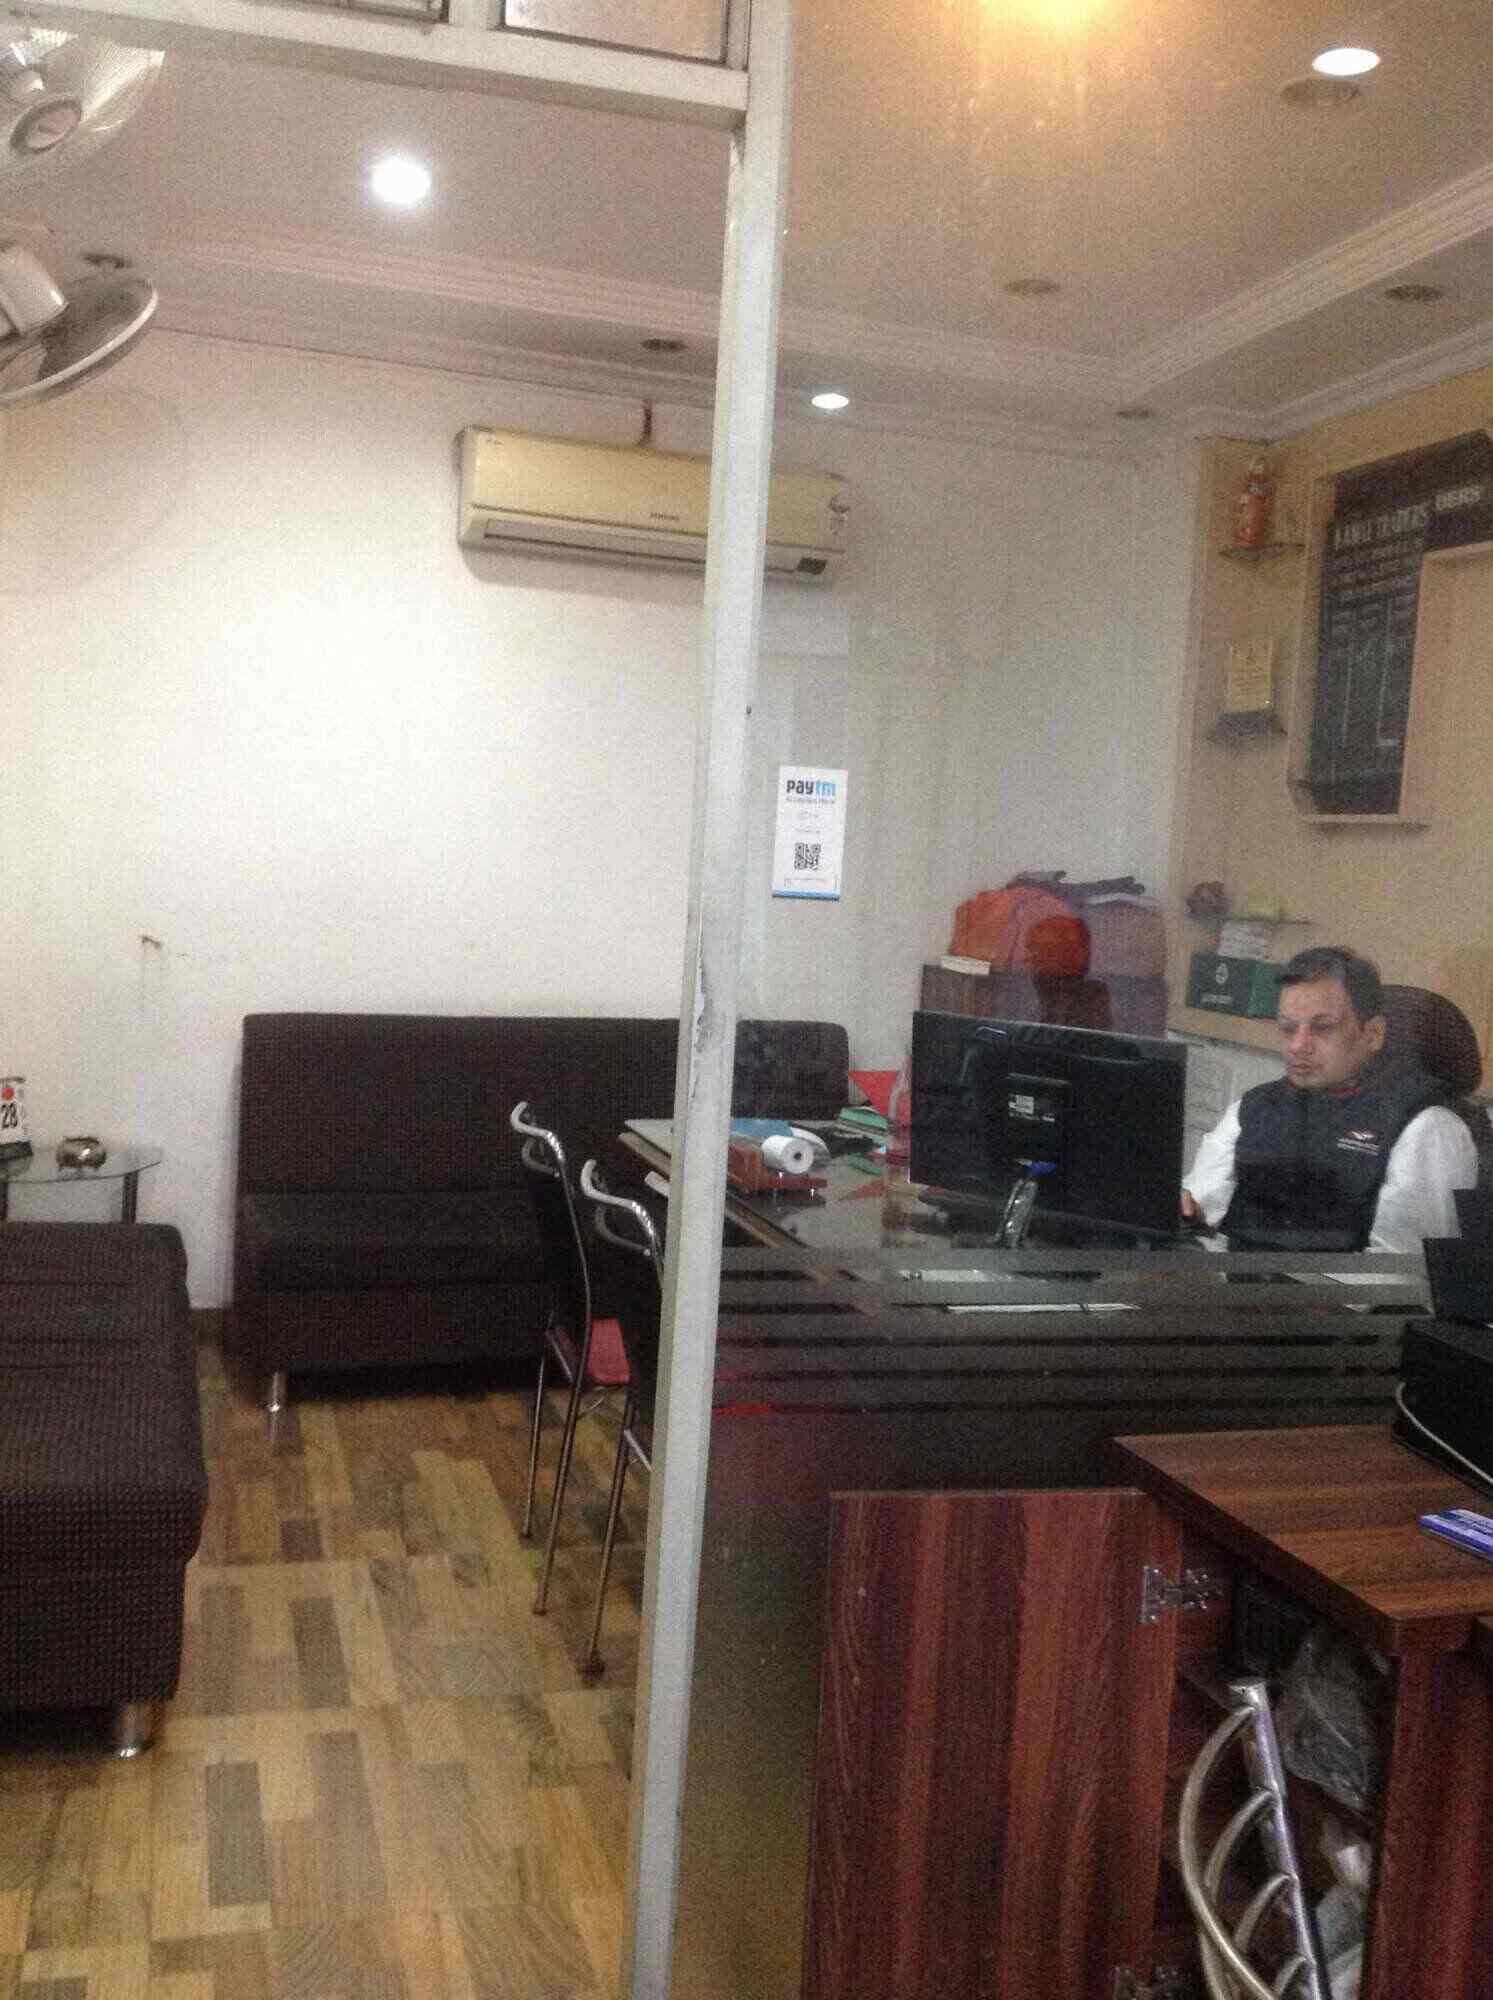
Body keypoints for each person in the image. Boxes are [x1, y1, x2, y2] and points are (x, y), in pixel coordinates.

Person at [1182, 946, 1478, 1252]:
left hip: (1335, 1284)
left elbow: (1398, 1268)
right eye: (1288, 1028)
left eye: (1322, 1027)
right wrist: (1186, 1215)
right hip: (1236, 1278)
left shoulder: (1425, 1127)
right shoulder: (1254, 1107)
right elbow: (1199, 1211)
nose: (1298, 1045)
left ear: (1373, 1034)